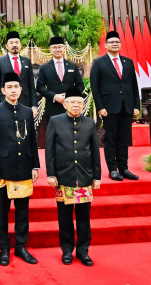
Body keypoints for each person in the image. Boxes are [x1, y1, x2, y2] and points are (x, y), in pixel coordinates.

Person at [0, 72, 40, 266]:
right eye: (9, 87)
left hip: (24, 167)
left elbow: (33, 140)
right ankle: (4, 248)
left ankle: (21, 246)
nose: (13, 90)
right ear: (3, 90)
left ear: (21, 89)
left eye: (16, 87)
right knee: (2, 211)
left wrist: (35, 165)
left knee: (22, 211)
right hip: (3, 169)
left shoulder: (27, 112)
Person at [45, 86, 101, 267]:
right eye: (72, 102)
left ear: (84, 105)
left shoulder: (89, 123)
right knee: (65, 217)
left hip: (84, 177)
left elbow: (94, 151)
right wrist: (51, 173)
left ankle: (83, 251)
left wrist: (97, 176)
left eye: (80, 103)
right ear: (65, 105)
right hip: (63, 176)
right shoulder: (55, 121)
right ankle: (67, 250)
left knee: (84, 217)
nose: (76, 106)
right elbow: (50, 150)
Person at [89, 30, 140, 181]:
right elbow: (95, 87)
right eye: (112, 42)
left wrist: (136, 104)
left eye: (117, 42)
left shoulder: (128, 62)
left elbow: (133, 85)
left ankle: (124, 168)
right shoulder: (99, 62)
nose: (115, 44)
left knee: (124, 139)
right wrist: (100, 107)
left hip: (127, 106)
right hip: (109, 107)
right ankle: (112, 169)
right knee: (111, 138)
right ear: (105, 45)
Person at [36, 36, 85, 118]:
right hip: (52, 108)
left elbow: (80, 86)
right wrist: (55, 96)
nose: (57, 49)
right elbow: (39, 87)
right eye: (54, 47)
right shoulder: (44, 67)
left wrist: (70, 96)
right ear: (50, 49)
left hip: (71, 108)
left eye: (60, 47)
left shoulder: (72, 66)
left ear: (64, 48)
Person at [0, 31, 38, 117]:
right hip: (5, 103)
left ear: (20, 44)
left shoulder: (27, 61)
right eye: (11, 43)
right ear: (6, 45)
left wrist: (34, 106)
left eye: (17, 42)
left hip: (25, 103)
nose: (14, 45)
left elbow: (31, 85)